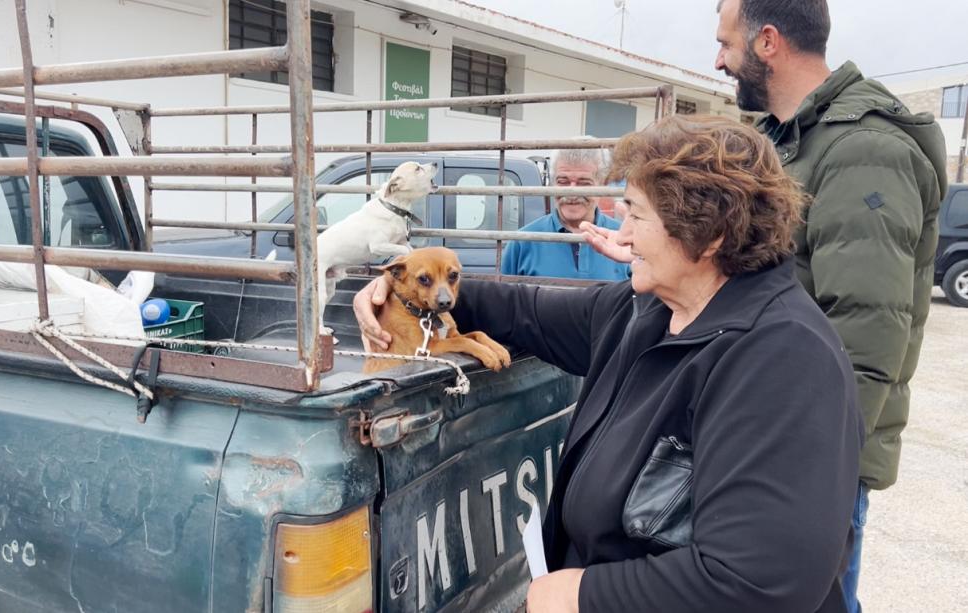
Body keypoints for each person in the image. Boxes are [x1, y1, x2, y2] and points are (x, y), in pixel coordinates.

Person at [356, 115, 863, 612]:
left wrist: (583, 595)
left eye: (636, 216)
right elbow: (522, 310)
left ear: (708, 237)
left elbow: (757, 579)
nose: (621, 236)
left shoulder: (784, 360)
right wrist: (397, 294)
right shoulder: (644, 311)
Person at [713, 1, 948, 609]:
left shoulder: (862, 149)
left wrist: (815, 469)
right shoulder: (786, 141)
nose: (719, 61)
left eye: (726, 44)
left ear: (767, 42)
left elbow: (867, 337)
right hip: (766, 437)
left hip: (807, 459)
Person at [500, 147, 629, 281]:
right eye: (563, 182)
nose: (572, 192)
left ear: (602, 185)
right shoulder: (522, 243)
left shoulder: (626, 239)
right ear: (552, 184)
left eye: (584, 183)